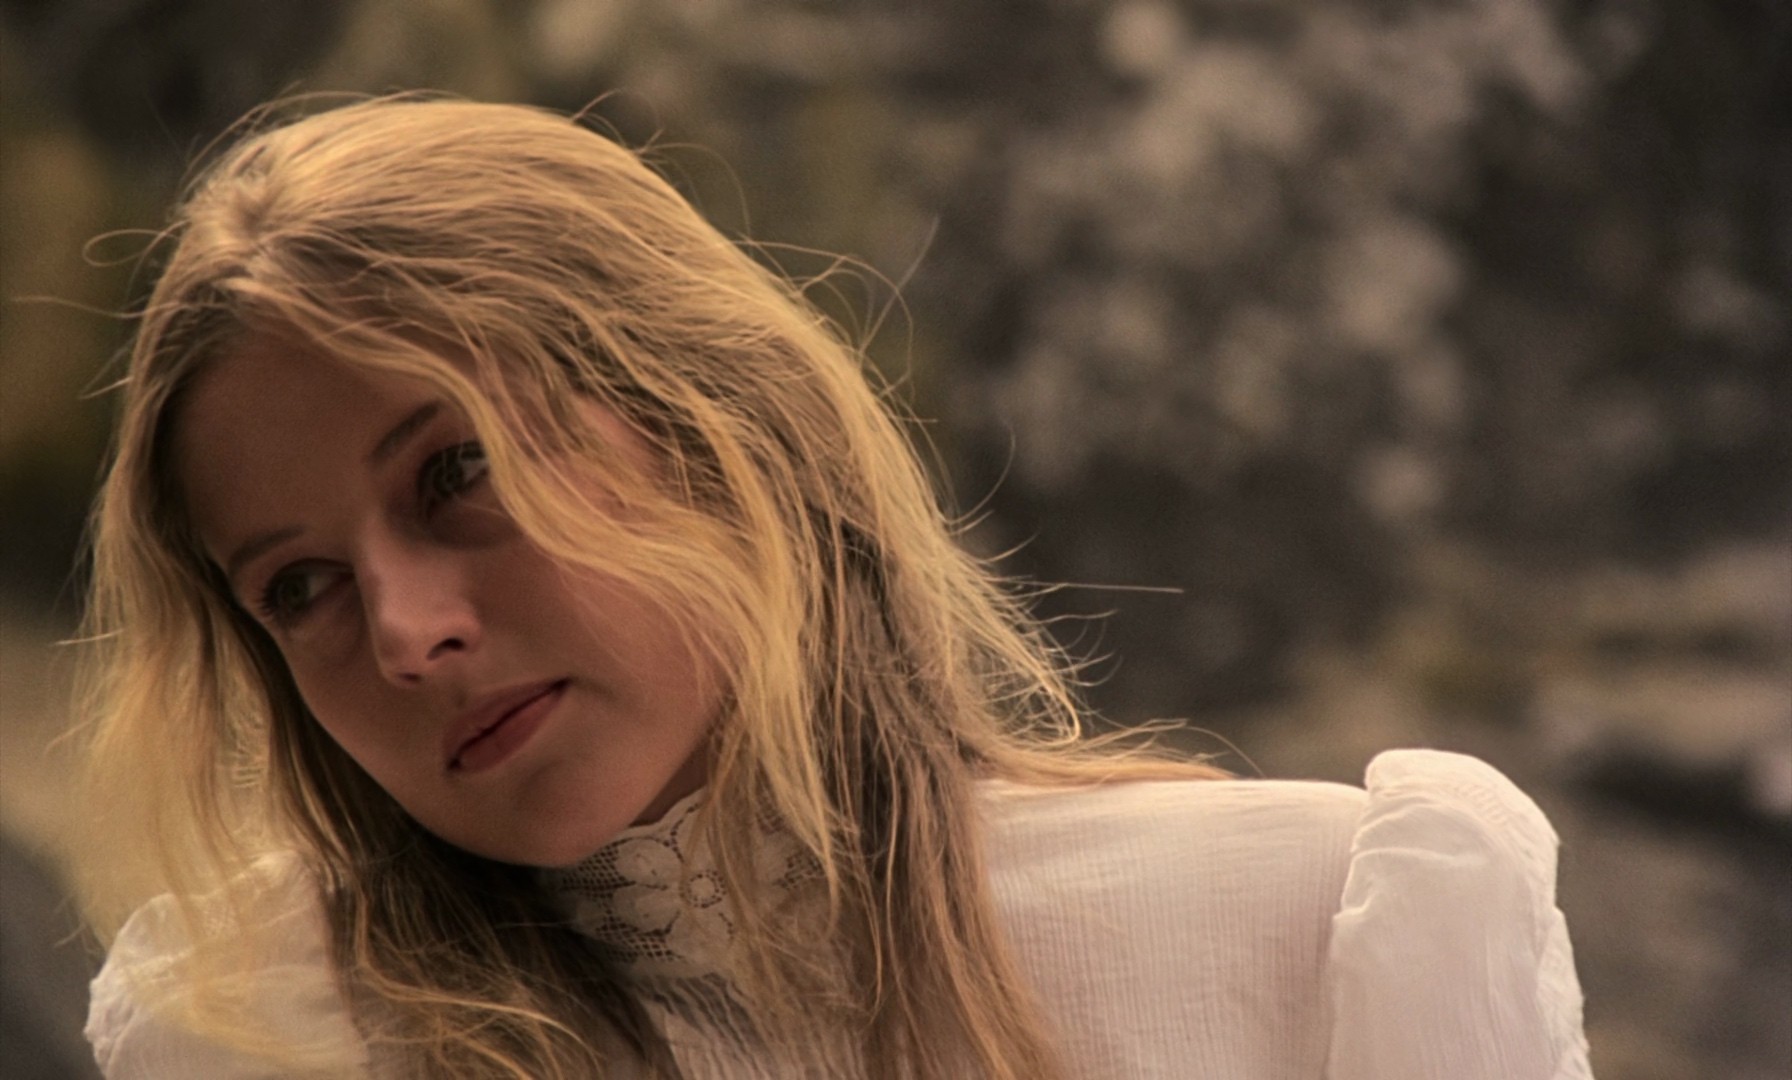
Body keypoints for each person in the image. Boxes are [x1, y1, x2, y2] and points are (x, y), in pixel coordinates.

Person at [77, 96, 1593, 1079]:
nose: (409, 634)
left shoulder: (1322, 933)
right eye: (300, 588)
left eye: (457, 471)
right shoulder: (245, 1040)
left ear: (708, 418)